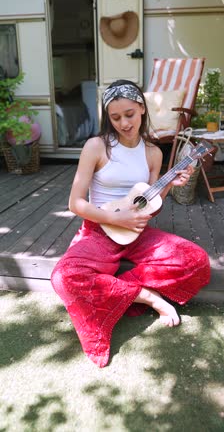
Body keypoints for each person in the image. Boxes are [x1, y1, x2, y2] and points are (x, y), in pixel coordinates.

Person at [51, 79, 210, 368]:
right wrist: (115, 217)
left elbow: (148, 201)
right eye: (115, 117)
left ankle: (123, 292)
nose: (124, 123)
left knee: (196, 260)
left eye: (130, 115)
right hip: (100, 229)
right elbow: (76, 203)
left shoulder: (153, 152)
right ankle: (145, 297)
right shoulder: (96, 147)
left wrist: (170, 185)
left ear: (142, 111)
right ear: (107, 118)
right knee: (64, 277)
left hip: (138, 231)